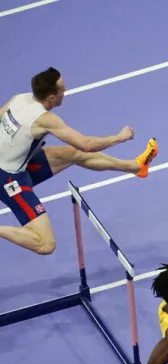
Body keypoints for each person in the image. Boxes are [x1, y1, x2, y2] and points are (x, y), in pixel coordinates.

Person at [0, 67, 158, 255]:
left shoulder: (20, 98)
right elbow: (86, 144)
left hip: (17, 163)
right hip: (8, 179)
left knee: (74, 154)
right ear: (52, 97)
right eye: (63, 90)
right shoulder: (45, 119)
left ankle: (135, 167)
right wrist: (119, 137)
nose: (65, 92)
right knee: (46, 244)